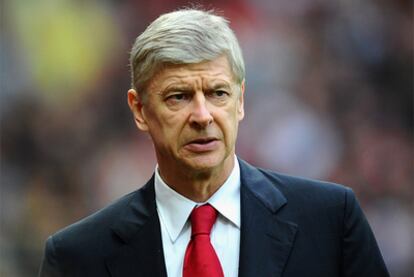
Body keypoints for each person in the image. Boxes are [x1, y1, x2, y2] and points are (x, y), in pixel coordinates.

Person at [39, 8, 389, 277]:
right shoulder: (77, 255)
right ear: (140, 110)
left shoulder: (330, 221)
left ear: (240, 101)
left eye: (218, 93)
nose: (203, 115)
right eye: (179, 97)